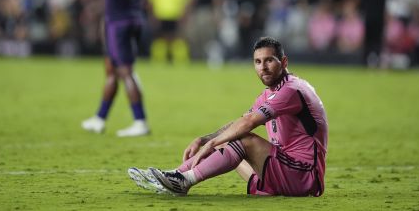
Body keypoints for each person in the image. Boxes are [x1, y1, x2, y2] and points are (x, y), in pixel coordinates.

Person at [128, 37, 328, 196]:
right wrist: (205, 139)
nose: (263, 67)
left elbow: (248, 124)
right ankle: (175, 175)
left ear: (283, 62)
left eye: (269, 60)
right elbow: (240, 122)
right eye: (258, 62)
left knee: (243, 138)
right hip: (283, 170)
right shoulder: (271, 92)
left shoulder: (291, 90)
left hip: (303, 176)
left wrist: (212, 142)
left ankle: (185, 181)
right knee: (229, 138)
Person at [64, 0, 156, 137]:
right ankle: (100, 118)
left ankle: (140, 121)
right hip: (135, 16)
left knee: (125, 71)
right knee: (111, 68)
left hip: (117, 20)